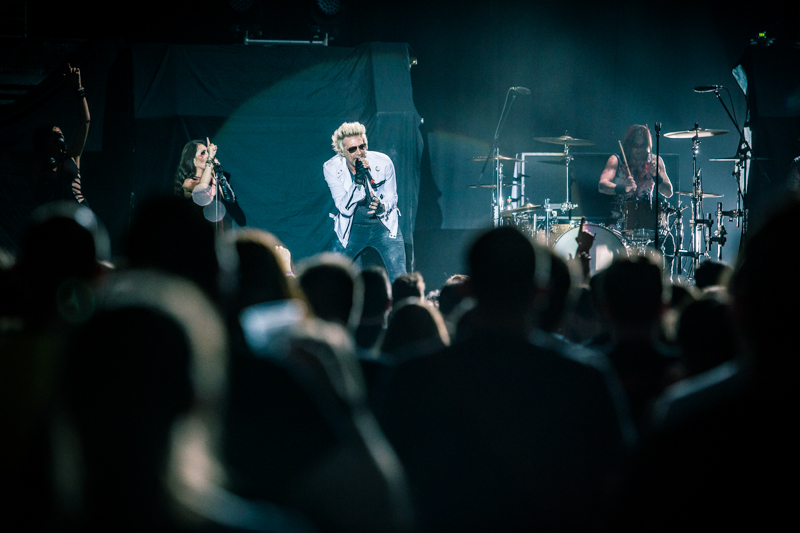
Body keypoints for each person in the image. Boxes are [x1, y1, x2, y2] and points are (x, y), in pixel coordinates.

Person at [324, 122, 406, 282]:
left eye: (362, 147)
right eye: (352, 149)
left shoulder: (383, 162)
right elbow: (344, 209)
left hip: (383, 227)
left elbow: (392, 198)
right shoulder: (331, 168)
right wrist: (358, 181)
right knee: (332, 276)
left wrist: (382, 207)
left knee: (400, 278)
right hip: (352, 229)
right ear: (341, 151)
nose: (359, 153)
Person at [32, 64, 90, 206]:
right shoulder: (42, 168)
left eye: (61, 134)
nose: (60, 138)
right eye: (55, 135)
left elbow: (85, 121)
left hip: (80, 213)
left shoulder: (72, 157)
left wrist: (79, 89)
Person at [174, 138, 246, 227]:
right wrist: (210, 159)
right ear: (194, 161)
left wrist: (219, 174)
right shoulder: (188, 183)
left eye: (208, 152)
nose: (208, 155)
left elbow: (231, 200)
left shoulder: (215, 179)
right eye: (203, 153)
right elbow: (202, 187)